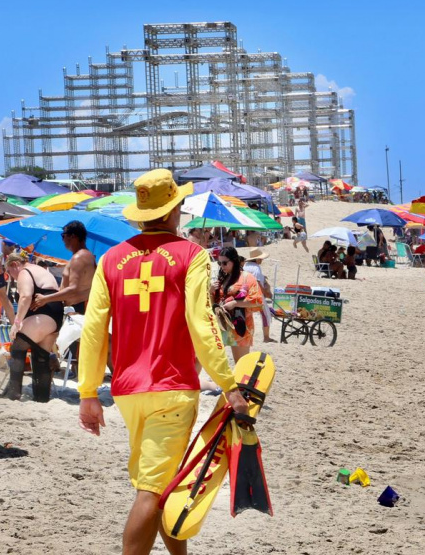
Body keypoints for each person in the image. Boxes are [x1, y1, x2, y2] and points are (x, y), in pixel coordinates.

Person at [77, 169, 249, 555]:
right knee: (151, 492)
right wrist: (229, 385)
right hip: (172, 388)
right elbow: (202, 323)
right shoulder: (191, 255)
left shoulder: (111, 259)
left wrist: (88, 392)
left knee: (166, 485)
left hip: (127, 391)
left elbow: (93, 329)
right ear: (173, 210)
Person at [2, 253, 65, 402]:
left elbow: (25, 296)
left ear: (15, 265)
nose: (11, 277)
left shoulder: (25, 272)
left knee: (18, 347)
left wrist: (17, 323)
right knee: (41, 356)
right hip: (55, 315)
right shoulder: (40, 270)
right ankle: (41, 397)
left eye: (9, 272)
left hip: (44, 314)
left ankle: (13, 394)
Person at [32, 221, 97, 316]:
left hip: (78, 308)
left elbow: (73, 289)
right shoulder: (85, 255)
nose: (63, 240)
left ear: (73, 236)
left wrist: (45, 299)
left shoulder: (79, 257)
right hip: (79, 306)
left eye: (63, 236)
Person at [212, 246, 264, 362]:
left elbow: (257, 300)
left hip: (240, 325)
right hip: (222, 324)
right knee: (213, 360)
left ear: (234, 261)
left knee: (241, 363)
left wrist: (235, 303)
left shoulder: (246, 277)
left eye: (225, 263)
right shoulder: (222, 278)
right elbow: (213, 302)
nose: (222, 266)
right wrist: (211, 290)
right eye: (219, 263)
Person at [243, 248, 275, 343]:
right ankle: (266, 337)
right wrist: (266, 293)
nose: (262, 260)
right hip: (256, 295)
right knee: (266, 314)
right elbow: (257, 283)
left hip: (245, 294)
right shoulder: (256, 268)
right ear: (256, 259)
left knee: (247, 315)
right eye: (260, 258)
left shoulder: (245, 266)